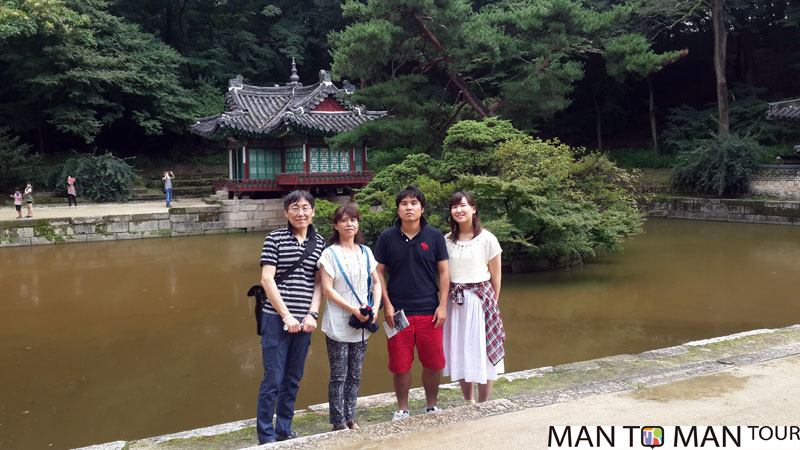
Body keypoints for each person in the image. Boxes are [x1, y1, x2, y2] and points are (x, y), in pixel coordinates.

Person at [375, 186, 449, 420]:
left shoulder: (434, 236)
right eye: (404, 203)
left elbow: (444, 272)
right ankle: (402, 409)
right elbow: (378, 273)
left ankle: (431, 406)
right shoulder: (387, 237)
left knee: (433, 362)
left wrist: (443, 305)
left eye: (414, 203)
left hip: (430, 310)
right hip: (396, 312)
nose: (409, 207)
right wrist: (386, 304)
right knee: (400, 364)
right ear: (398, 209)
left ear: (422, 208)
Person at [257, 190, 326, 444]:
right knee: (272, 378)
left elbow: (319, 282)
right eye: (295, 208)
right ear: (286, 212)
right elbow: (267, 279)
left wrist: (312, 314)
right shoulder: (274, 238)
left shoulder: (319, 242)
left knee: (293, 378)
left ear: (313, 211)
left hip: (304, 321)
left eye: (306, 208)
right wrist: (286, 315)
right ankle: (266, 437)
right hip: (276, 319)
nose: (301, 213)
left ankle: (284, 429)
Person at [317, 204, 381, 431]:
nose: (349, 224)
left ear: (358, 223)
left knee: (355, 373)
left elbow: (376, 281)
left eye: (353, 220)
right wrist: (353, 309)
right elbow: (328, 290)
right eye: (343, 220)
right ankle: (337, 421)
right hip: (339, 320)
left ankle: (350, 417)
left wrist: (375, 307)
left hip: (363, 321)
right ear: (336, 225)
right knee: (339, 375)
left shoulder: (366, 251)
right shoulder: (329, 253)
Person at [443, 191, 505, 404]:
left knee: (482, 351)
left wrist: (492, 304)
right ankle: (468, 400)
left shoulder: (487, 239)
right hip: (456, 302)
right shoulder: (446, 240)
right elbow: (444, 274)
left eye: (463, 205)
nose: (459, 210)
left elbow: (496, 276)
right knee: (461, 350)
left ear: (473, 209)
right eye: (454, 207)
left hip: (481, 301)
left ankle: (483, 402)